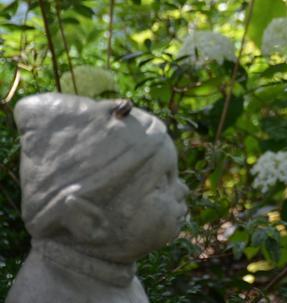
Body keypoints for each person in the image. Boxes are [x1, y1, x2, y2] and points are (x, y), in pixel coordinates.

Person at [7, 94, 188, 303]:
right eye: (162, 183)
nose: (183, 190)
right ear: (87, 221)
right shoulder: (49, 296)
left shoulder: (116, 278)